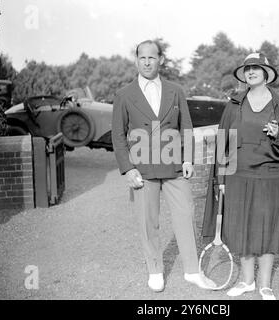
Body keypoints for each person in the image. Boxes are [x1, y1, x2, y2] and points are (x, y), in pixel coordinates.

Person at [202, 52, 279, 300]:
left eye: (256, 68)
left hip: (272, 178)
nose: (251, 72)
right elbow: (222, 144)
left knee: (269, 230)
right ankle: (247, 280)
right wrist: (222, 179)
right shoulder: (235, 104)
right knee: (242, 228)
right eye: (247, 69)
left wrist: (278, 134)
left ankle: (265, 284)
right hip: (239, 176)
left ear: (266, 74)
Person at [112, 40, 213, 292]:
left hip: (174, 166)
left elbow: (186, 126)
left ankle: (192, 270)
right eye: (142, 58)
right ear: (137, 60)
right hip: (142, 169)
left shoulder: (176, 90)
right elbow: (118, 134)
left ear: (161, 60)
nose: (147, 62)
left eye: (152, 58)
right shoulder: (124, 94)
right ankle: (155, 270)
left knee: (186, 214)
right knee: (148, 221)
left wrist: (188, 158)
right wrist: (128, 168)